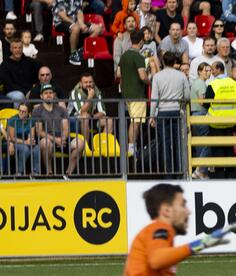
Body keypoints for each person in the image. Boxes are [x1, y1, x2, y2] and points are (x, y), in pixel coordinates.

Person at [151, 52, 190, 175]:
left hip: (163, 113)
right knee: (178, 142)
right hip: (177, 112)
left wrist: (152, 116)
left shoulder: (157, 76)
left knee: (165, 144)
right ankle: (180, 171)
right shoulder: (181, 76)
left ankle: (168, 173)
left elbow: (154, 99)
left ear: (162, 62)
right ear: (175, 63)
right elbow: (187, 96)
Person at [34, 85, 85, 179]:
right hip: (47, 139)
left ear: (54, 95)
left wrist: (62, 138)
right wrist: (55, 139)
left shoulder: (61, 109)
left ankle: (68, 173)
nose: (48, 95)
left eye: (50, 93)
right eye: (46, 93)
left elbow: (66, 128)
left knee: (80, 143)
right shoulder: (37, 110)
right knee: (45, 143)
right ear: (41, 96)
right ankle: (49, 173)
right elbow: (39, 131)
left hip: (62, 138)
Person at [119, 30, 152, 158]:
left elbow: (119, 75)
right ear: (142, 41)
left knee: (133, 120)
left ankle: (131, 146)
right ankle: (132, 148)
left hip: (126, 93)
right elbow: (143, 76)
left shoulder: (124, 55)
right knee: (136, 122)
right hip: (137, 94)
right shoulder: (138, 56)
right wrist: (151, 82)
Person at [53, 0, 103, 65]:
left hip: (76, 22)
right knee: (75, 28)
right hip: (61, 23)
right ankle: (73, 54)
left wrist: (81, 24)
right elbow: (63, 16)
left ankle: (83, 50)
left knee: (98, 28)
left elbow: (79, 12)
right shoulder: (59, 1)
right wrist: (76, 24)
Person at [68, 72, 111, 141]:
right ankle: (85, 148)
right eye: (85, 82)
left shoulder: (96, 92)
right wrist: (90, 97)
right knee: (85, 117)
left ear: (93, 83)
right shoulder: (75, 92)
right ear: (81, 83)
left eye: (90, 82)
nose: (88, 84)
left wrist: (92, 117)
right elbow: (82, 111)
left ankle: (103, 147)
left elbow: (102, 112)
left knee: (109, 120)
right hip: (73, 121)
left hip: (89, 118)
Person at [0, 38, 41, 104]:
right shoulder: (4, 65)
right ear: (11, 49)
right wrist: (26, 92)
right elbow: (10, 85)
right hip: (13, 92)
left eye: (20, 48)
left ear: (22, 49)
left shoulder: (30, 61)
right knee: (19, 96)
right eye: (15, 48)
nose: (17, 50)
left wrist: (33, 90)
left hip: (30, 91)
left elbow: (42, 72)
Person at [6, 102, 40, 177]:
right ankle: (19, 172)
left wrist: (31, 140)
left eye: (24, 112)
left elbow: (32, 135)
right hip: (13, 142)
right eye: (20, 110)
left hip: (25, 141)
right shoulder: (13, 120)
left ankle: (36, 172)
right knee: (25, 149)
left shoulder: (31, 120)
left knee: (37, 148)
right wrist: (26, 142)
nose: (21, 113)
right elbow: (12, 138)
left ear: (29, 113)